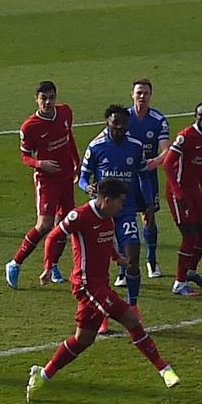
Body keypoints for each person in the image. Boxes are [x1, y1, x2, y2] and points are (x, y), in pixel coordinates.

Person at [25, 178, 180, 402]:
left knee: (83, 339)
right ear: (106, 200)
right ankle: (164, 369)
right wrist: (49, 266)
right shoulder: (80, 216)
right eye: (120, 202)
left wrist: (119, 258)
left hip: (100, 285)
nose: (122, 207)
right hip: (86, 285)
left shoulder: (108, 218)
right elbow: (53, 236)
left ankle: (43, 374)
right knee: (130, 319)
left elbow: (105, 244)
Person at [78, 105, 156, 332]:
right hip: (101, 216)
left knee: (132, 259)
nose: (119, 128)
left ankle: (133, 306)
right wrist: (88, 187)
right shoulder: (96, 146)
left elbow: (144, 177)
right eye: (115, 124)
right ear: (107, 123)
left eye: (123, 124)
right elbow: (82, 177)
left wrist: (149, 206)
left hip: (127, 212)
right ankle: (102, 312)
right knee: (99, 270)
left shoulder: (135, 147)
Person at [6, 81, 79, 288]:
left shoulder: (65, 112)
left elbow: (68, 137)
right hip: (46, 180)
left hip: (66, 177)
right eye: (43, 98)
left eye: (51, 98)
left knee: (65, 223)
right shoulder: (29, 127)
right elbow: (25, 157)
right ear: (36, 99)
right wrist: (41, 164)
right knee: (45, 224)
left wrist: (77, 162)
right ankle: (15, 263)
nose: (48, 102)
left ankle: (53, 265)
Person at [163, 102, 202, 297]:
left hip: (195, 192)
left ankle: (190, 271)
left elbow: (201, 167)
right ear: (195, 116)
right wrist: (177, 192)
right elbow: (168, 163)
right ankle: (179, 282)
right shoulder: (185, 136)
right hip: (179, 193)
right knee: (190, 236)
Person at [126, 79, 170, 280]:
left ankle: (151, 261)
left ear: (150, 96)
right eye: (139, 93)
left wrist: (157, 161)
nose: (142, 96)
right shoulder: (123, 117)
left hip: (147, 175)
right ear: (132, 95)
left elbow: (166, 150)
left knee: (148, 217)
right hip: (126, 175)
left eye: (145, 93)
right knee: (125, 219)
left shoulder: (158, 119)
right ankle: (125, 266)